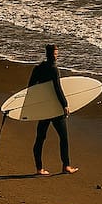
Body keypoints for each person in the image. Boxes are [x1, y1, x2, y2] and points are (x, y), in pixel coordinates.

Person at [30, 44, 78, 176]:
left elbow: (31, 87)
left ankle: (39, 168)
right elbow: (57, 88)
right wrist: (65, 104)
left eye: (57, 54)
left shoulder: (38, 68)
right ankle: (66, 166)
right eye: (55, 54)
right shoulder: (54, 69)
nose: (56, 56)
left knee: (40, 138)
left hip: (44, 108)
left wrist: (37, 104)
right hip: (55, 108)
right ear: (50, 55)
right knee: (63, 138)